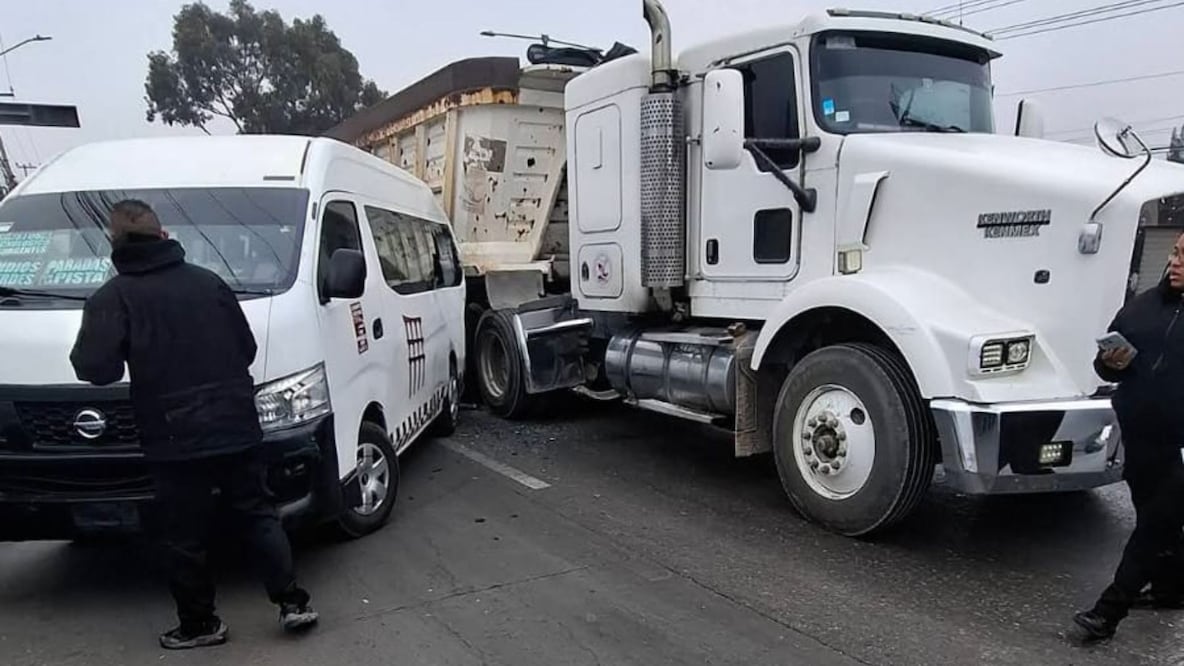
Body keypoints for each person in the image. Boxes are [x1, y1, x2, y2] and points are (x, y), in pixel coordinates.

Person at [70, 200, 318, 650]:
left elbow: (95, 368)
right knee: (259, 514)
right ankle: (293, 602)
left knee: (183, 535)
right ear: (163, 236)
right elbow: (245, 349)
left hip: (171, 438)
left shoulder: (111, 298)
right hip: (234, 422)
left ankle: (201, 625)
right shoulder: (209, 283)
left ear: (114, 244)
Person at [1072, 231, 1184, 643]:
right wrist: (1110, 363)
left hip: (1181, 446)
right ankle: (1173, 589)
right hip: (1141, 437)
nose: (1174, 262)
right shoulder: (1142, 308)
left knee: (1155, 524)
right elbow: (1106, 369)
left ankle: (1108, 611)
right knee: (1157, 519)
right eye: (1174, 252)